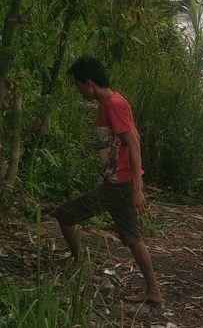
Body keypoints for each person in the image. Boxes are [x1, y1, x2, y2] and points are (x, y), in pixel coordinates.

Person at [52, 57, 162, 304]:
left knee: (65, 215)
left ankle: (77, 260)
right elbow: (136, 136)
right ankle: (153, 291)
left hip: (118, 186)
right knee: (134, 239)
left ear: (89, 83)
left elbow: (133, 143)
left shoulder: (113, 104)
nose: (79, 91)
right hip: (119, 182)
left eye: (79, 86)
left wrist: (136, 187)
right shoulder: (111, 104)